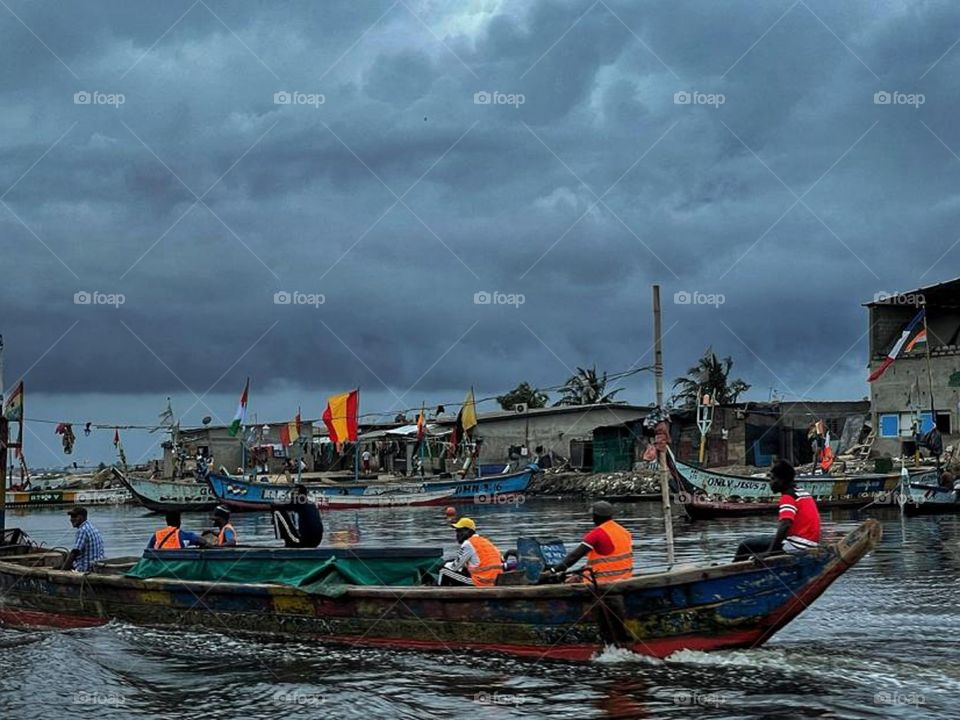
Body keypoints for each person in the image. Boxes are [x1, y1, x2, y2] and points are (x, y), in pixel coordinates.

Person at [733, 460, 821, 561]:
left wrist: (770, 552)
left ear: (782, 480)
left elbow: (785, 524)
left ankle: (731, 570)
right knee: (762, 544)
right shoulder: (803, 493)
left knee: (745, 545)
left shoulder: (788, 497)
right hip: (811, 543)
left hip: (797, 546)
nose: (770, 482)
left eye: (772, 478)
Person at [548, 502, 633, 584]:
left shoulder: (596, 534)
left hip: (602, 580)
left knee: (567, 581)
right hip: (625, 577)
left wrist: (553, 570)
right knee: (578, 573)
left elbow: (574, 556)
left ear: (595, 516)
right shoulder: (624, 532)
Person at [438, 517, 504, 587]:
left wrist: (445, 564)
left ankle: (439, 595)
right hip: (494, 581)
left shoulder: (468, 543)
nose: (457, 534)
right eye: (456, 531)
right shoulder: (485, 541)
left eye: (459, 531)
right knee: (463, 569)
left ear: (468, 531)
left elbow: (454, 567)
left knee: (443, 571)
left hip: (480, 582)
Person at [61, 506, 105, 572]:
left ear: (81, 517)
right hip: (96, 566)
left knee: (65, 560)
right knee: (65, 557)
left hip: (86, 568)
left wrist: (62, 571)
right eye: (71, 517)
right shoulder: (91, 527)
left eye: (74, 516)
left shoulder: (82, 530)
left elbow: (74, 552)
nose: (71, 519)